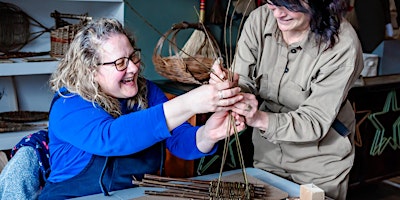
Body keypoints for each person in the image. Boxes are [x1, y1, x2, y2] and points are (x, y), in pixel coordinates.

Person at [36, 18, 245, 199]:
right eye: (120, 63)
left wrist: (208, 134)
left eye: (133, 56)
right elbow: (111, 137)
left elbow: (179, 140)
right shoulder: (69, 102)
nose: (134, 67)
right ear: (91, 70)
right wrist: (188, 103)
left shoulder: (147, 91)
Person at [210, 0, 364, 199]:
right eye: (272, 4)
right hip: (268, 153)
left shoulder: (342, 43)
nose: (277, 14)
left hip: (319, 160)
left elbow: (314, 120)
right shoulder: (260, 19)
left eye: (288, 5)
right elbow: (244, 80)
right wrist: (230, 88)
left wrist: (258, 119)